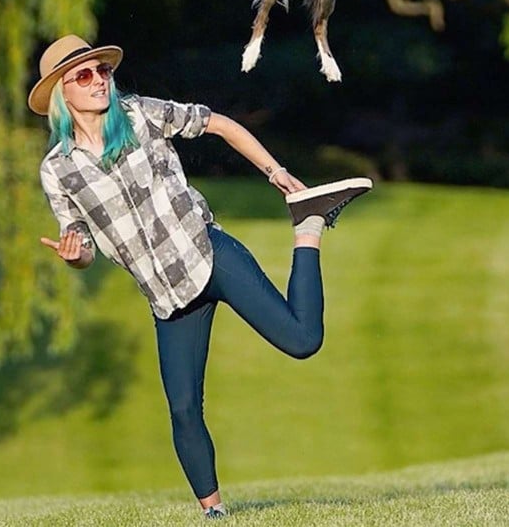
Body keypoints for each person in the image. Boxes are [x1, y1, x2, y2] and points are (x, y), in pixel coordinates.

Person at [28, 35, 372, 519]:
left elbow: (221, 124)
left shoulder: (140, 115)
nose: (99, 80)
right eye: (83, 76)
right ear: (63, 94)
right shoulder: (58, 171)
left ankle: (307, 226)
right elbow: (82, 246)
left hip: (208, 253)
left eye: (102, 70)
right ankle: (214, 513)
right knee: (184, 409)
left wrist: (275, 172)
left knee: (302, 339)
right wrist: (73, 255)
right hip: (167, 297)